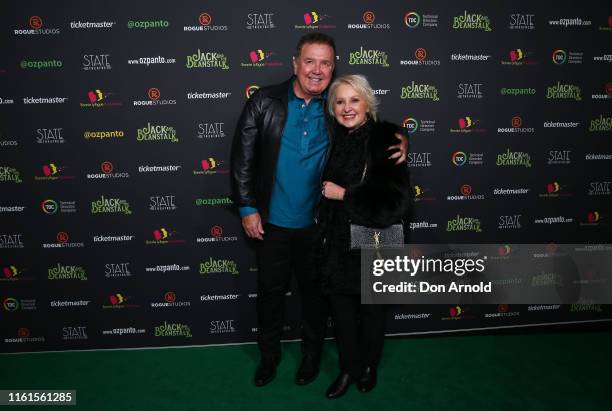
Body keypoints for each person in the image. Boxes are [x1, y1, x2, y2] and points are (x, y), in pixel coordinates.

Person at [230, 33, 407, 387]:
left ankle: (312, 358)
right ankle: (269, 358)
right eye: (309, 61)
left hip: (318, 225)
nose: (317, 69)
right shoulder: (265, 102)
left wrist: (399, 136)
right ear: (295, 63)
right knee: (270, 295)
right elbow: (242, 159)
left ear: (333, 67)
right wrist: (248, 207)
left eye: (325, 63)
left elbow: (368, 128)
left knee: (317, 302)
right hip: (271, 223)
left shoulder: (333, 107)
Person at [318, 74, 412, 399]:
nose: (347, 108)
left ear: (367, 102)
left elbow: (394, 205)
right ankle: (349, 369)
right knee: (341, 313)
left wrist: (345, 196)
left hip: (376, 239)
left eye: (354, 100)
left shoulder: (387, 138)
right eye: (340, 101)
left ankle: (369, 367)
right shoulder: (329, 137)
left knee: (373, 311)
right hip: (337, 243)